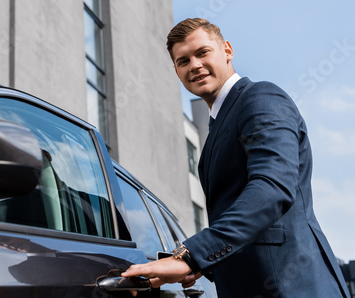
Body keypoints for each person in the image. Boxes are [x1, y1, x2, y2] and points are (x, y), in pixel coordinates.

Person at [121, 18, 350, 297]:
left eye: (202, 53)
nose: (194, 65)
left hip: (292, 287)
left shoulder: (261, 98)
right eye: (183, 61)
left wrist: (192, 255)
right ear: (176, 71)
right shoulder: (219, 123)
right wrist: (202, 266)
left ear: (227, 50)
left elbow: (272, 187)